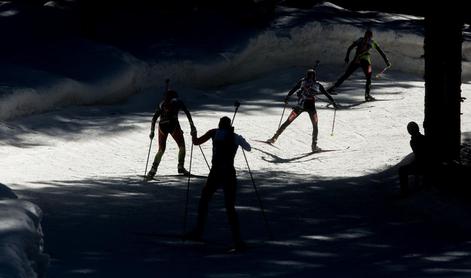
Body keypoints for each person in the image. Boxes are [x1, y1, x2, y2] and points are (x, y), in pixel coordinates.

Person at [187, 116, 251, 251]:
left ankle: (198, 231)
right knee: (230, 206)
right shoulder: (235, 137)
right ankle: (237, 240)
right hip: (229, 174)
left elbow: (196, 142)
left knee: (204, 200)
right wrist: (237, 139)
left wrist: (193, 133)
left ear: (219, 124)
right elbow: (248, 148)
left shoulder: (214, 132)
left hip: (215, 173)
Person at [267, 68, 338, 152]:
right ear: (315, 76)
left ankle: (274, 138)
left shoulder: (302, 81)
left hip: (300, 106)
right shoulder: (317, 84)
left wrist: (287, 97)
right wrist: (333, 102)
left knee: (287, 122)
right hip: (311, 107)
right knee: (315, 126)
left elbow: (294, 89)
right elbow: (326, 93)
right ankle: (314, 146)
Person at [145, 89, 196, 181]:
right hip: (173, 125)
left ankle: (153, 170)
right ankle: (180, 166)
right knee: (181, 146)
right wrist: (192, 126)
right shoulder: (178, 102)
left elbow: (154, 118)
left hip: (162, 126)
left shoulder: (162, 103)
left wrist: (152, 131)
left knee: (161, 149)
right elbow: (187, 112)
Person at [328, 29, 391, 101]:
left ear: (365, 35)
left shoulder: (360, 40)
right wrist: (387, 61)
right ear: (371, 36)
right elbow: (381, 52)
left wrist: (347, 57)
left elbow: (350, 48)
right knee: (369, 78)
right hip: (366, 62)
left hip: (356, 61)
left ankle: (332, 88)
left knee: (346, 75)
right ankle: (367, 95)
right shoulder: (372, 42)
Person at [398, 121, 430, 194]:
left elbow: (420, 156)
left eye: (409, 130)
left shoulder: (414, 141)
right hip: (425, 164)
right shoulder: (423, 138)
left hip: (423, 166)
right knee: (403, 169)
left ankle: (404, 191)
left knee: (402, 170)